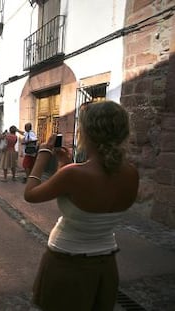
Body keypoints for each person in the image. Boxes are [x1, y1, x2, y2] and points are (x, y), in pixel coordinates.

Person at [23, 101, 139, 311]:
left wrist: (43, 154)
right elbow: (93, 200)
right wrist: (64, 166)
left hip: (67, 263)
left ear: (87, 133)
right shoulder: (131, 173)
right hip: (106, 264)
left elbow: (30, 194)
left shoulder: (75, 174)